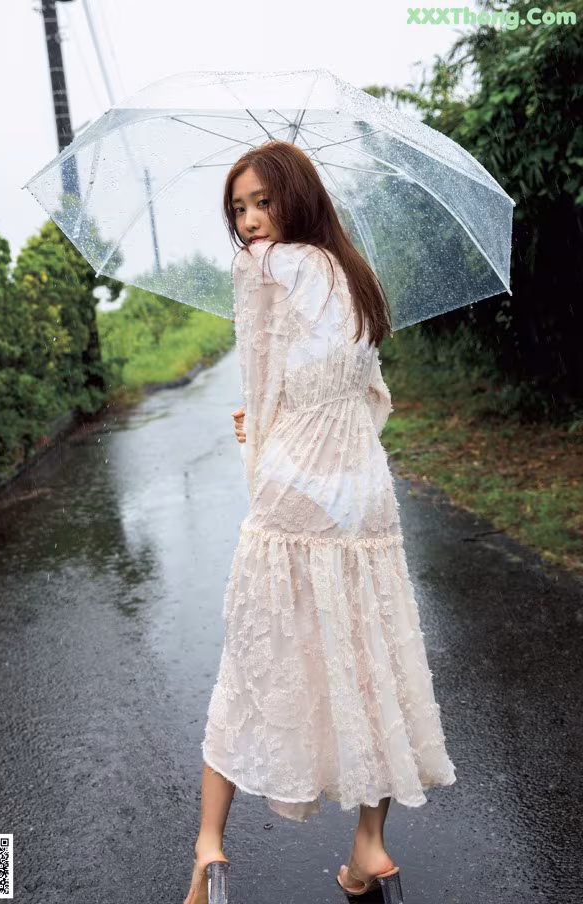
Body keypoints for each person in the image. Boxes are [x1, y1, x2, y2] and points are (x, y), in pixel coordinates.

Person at [183, 140, 456, 904]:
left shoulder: (262, 270)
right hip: (362, 495)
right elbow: (373, 400)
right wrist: (301, 417)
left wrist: (259, 436)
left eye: (263, 201)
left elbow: (263, 386)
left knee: (253, 658)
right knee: (370, 661)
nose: (250, 221)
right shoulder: (354, 275)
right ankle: (368, 845)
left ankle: (209, 846)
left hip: (296, 493)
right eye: (239, 208)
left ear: (296, 198)